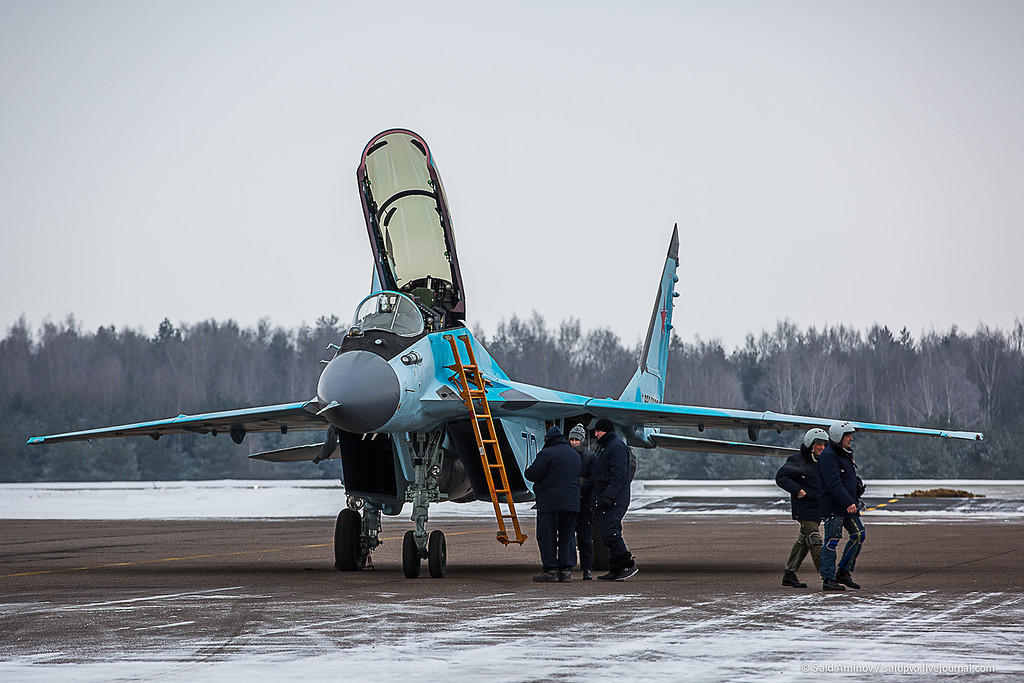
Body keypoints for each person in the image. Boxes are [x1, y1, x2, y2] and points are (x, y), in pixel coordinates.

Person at [524, 426, 582, 582]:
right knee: (567, 536)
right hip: (572, 503)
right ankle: (566, 570)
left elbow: (532, 474)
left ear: (548, 440)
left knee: (547, 536)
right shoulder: (575, 455)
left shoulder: (546, 454)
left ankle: (550, 570)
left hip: (550, 503)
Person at [775, 428, 828, 588]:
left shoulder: (823, 462)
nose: (821, 447)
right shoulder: (797, 460)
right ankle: (827, 576)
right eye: (818, 444)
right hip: (804, 508)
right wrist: (797, 490)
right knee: (814, 539)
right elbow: (781, 477)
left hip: (818, 508)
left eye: (824, 444)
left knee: (803, 542)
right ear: (810, 444)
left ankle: (789, 574)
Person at [817, 421, 866, 591]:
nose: (851, 439)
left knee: (859, 535)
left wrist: (857, 487)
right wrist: (848, 502)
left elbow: (846, 479)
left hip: (848, 506)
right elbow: (834, 484)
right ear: (839, 436)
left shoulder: (844, 454)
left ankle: (843, 572)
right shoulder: (828, 456)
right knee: (831, 541)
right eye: (848, 436)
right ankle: (828, 579)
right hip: (834, 507)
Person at [591, 417, 638, 580]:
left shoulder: (616, 447)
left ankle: (627, 564)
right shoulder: (607, 447)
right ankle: (616, 568)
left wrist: (609, 496)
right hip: (608, 498)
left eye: (599, 431)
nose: (596, 434)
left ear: (607, 431)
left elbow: (619, 476)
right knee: (608, 531)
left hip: (615, 499)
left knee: (610, 531)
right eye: (596, 431)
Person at [568, 423, 597, 580]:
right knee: (568, 537)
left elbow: (593, 479)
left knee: (585, 538)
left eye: (576, 440)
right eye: (571, 440)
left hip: (585, 504)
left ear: (582, 440)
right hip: (571, 503)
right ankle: (570, 566)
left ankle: (587, 569)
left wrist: (579, 491)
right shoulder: (567, 456)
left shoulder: (590, 458)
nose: (573, 443)